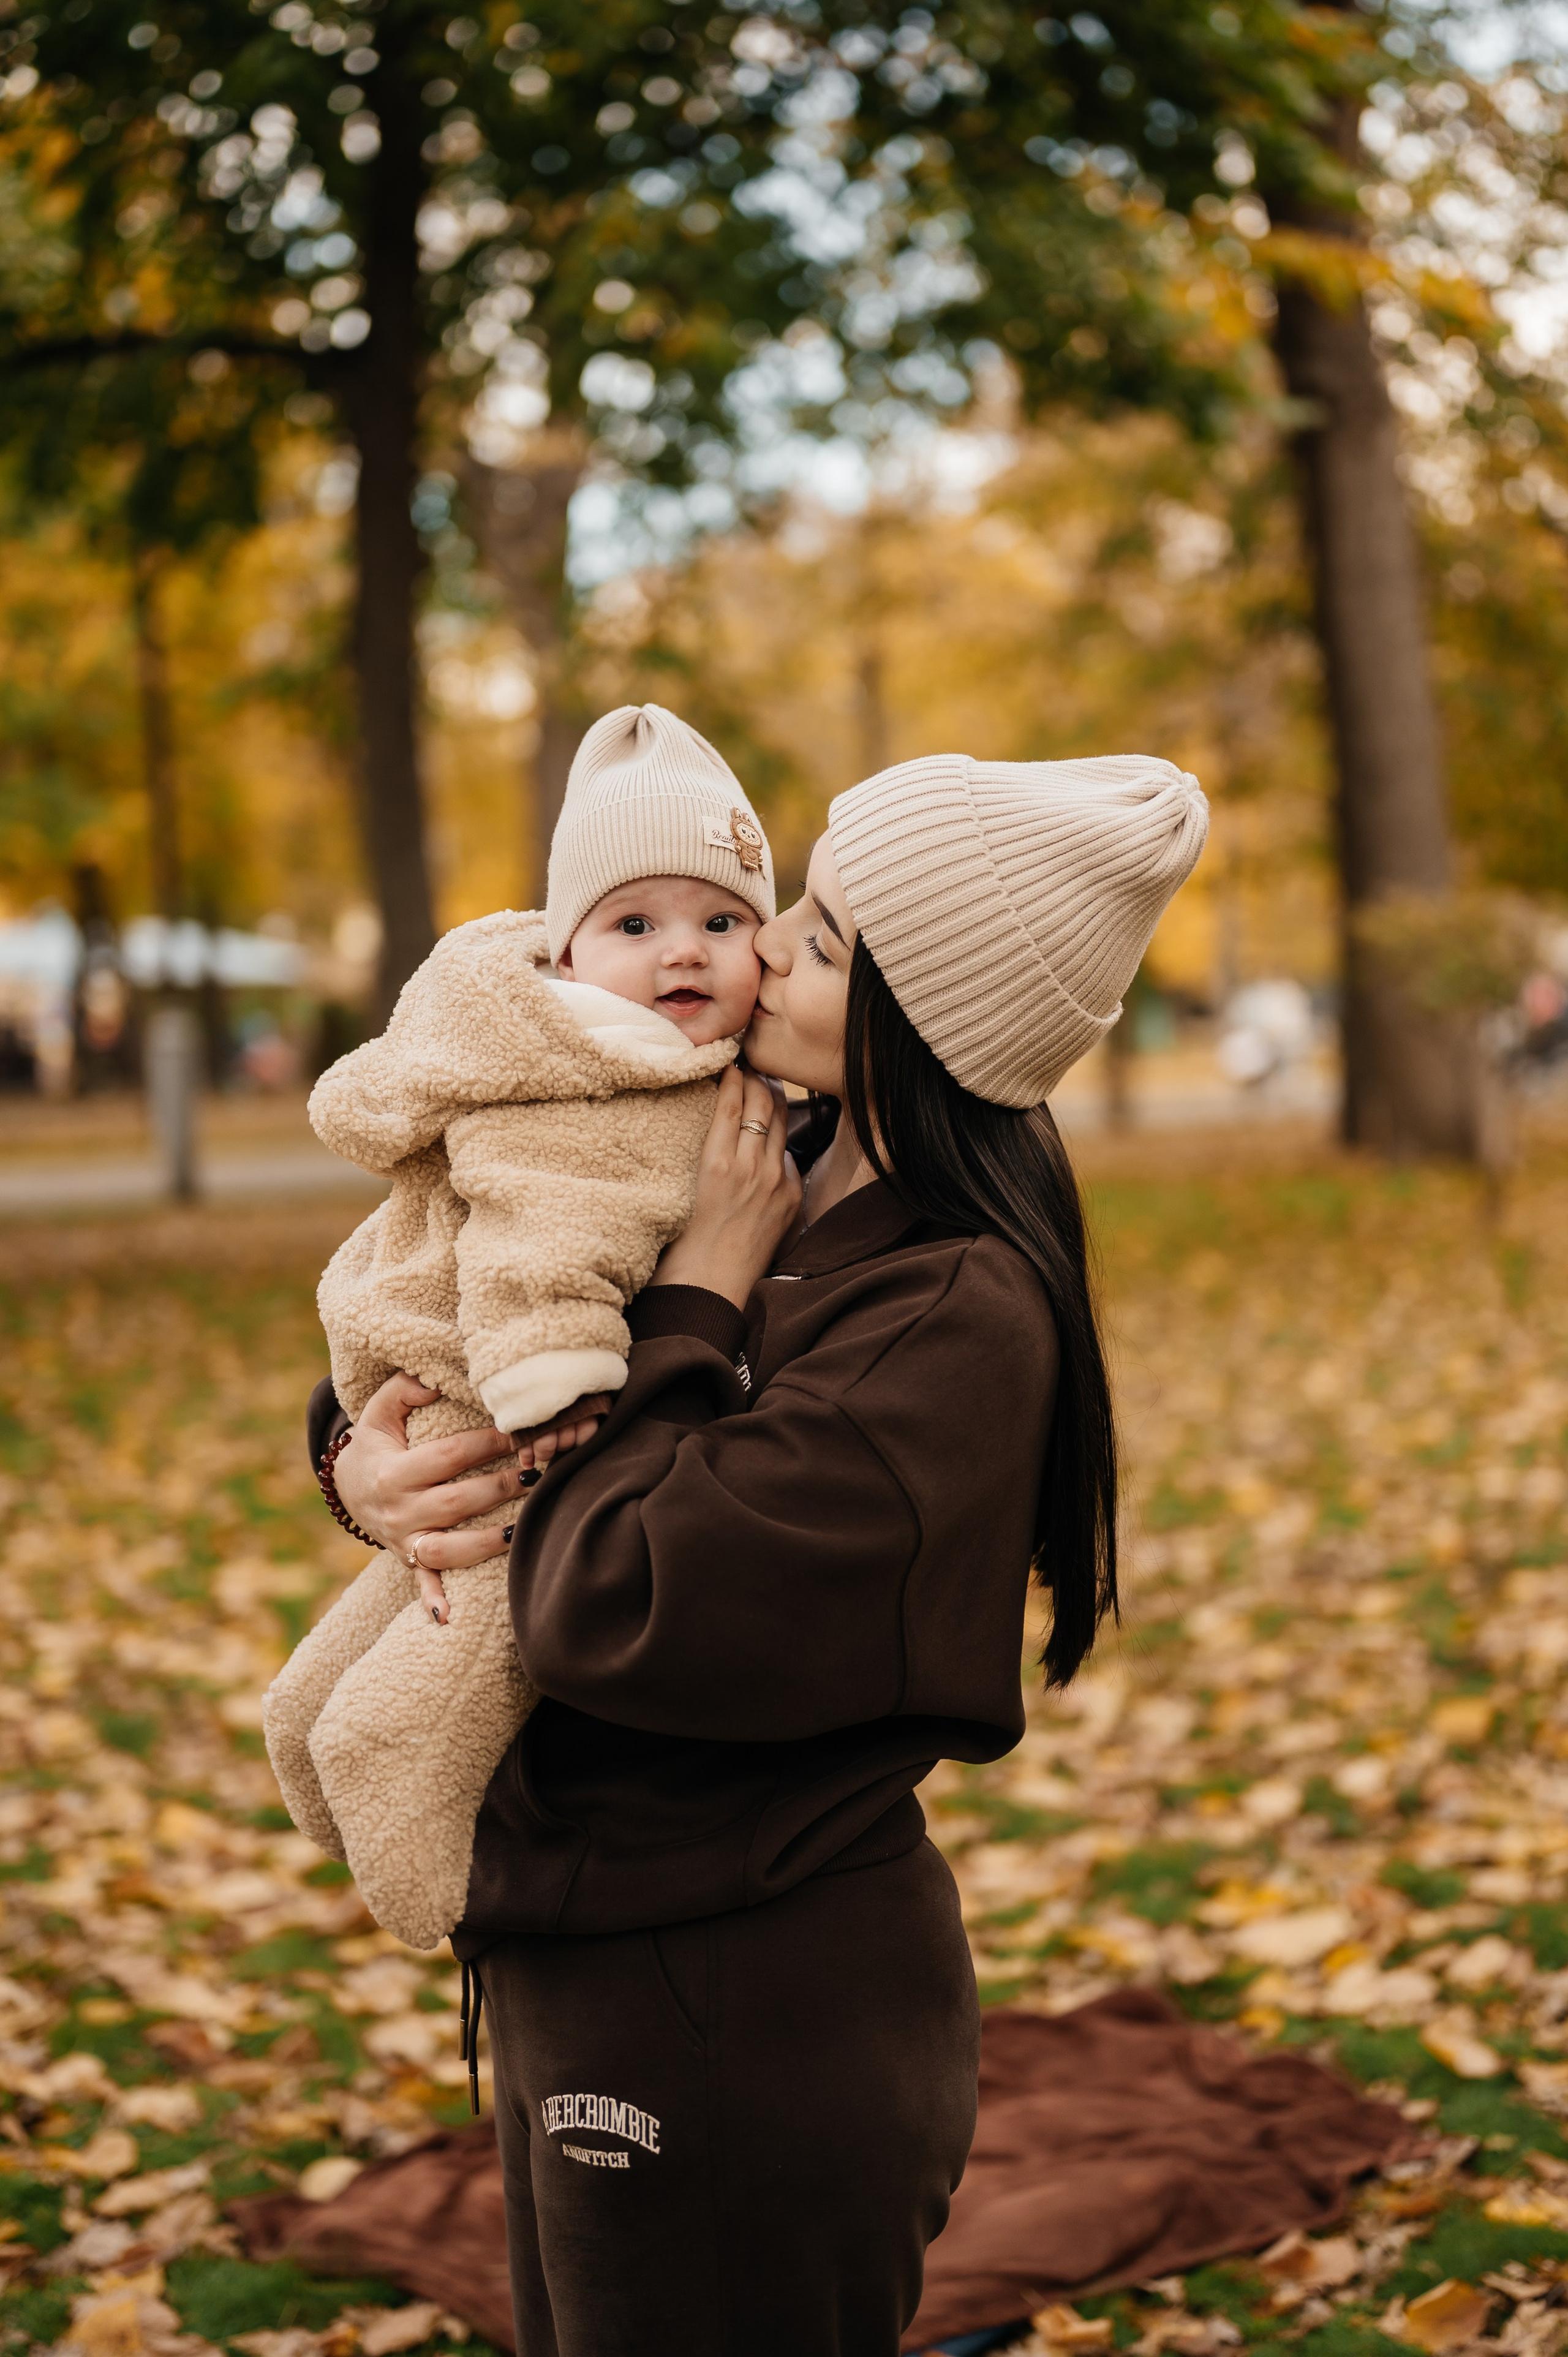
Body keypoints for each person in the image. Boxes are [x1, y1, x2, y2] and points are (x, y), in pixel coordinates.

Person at [317, 749, 1209, 2355]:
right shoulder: (750, 1148)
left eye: (821, 935)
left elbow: (611, 1596)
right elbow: (461, 1303)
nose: (760, 947)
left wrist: (696, 1298)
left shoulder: (944, 1317)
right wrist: (363, 1464)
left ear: (922, 1022)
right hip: (583, 1953)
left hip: (731, 2004)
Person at [267, 706, 774, 1953]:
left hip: (488, 1414)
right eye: (635, 925)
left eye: (723, 923)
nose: (684, 953)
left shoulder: (618, 1064)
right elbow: (543, 1233)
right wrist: (548, 1380)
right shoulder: (607, 1080)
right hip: (528, 1420)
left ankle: (353, 1779)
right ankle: (418, 1867)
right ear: (565, 951)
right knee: (431, 1652)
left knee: (384, 1679)